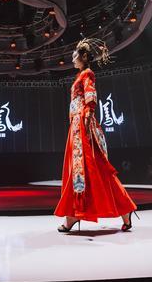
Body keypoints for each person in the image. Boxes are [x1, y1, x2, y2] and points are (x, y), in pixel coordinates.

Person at [54, 38, 138, 232]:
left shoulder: (87, 74)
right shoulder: (80, 75)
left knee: (87, 168)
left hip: (82, 125)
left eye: (74, 56)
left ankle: (75, 215)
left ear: (83, 56)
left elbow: (91, 97)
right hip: (76, 124)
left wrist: (86, 118)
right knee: (89, 169)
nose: (72, 59)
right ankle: (78, 213)